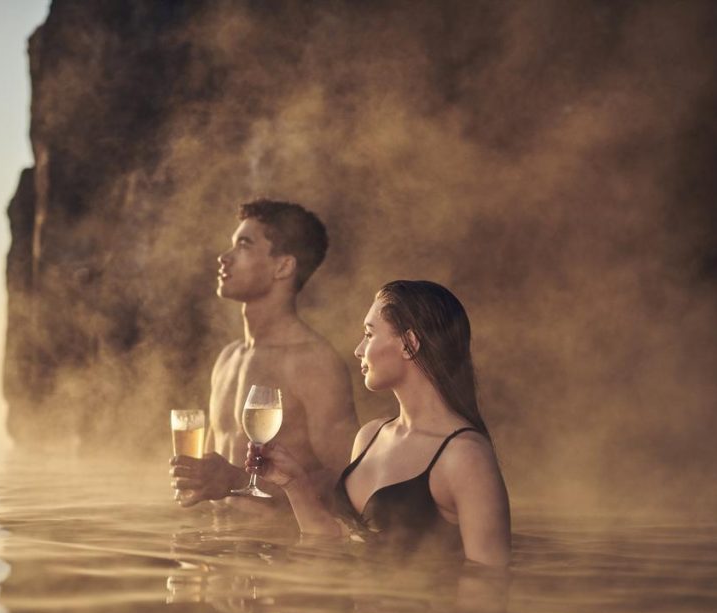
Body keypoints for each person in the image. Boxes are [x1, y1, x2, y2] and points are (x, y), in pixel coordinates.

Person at [246, 280, 511, 566]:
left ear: (409, 344)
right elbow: (338, 539)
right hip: (362, 606)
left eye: (369, 335)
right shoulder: (371, 435)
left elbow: (489, 581)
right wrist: (293, 484)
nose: (359, 350)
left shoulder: (465, 455)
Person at [171, 199, 359, 508]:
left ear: (283, 266)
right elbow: (213, 478)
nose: (224, 257)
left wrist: (238, 483)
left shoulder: (314, 363)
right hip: (220, 543)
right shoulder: (228, 358)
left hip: (282, 550)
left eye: (243, 245)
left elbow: (349, 480)